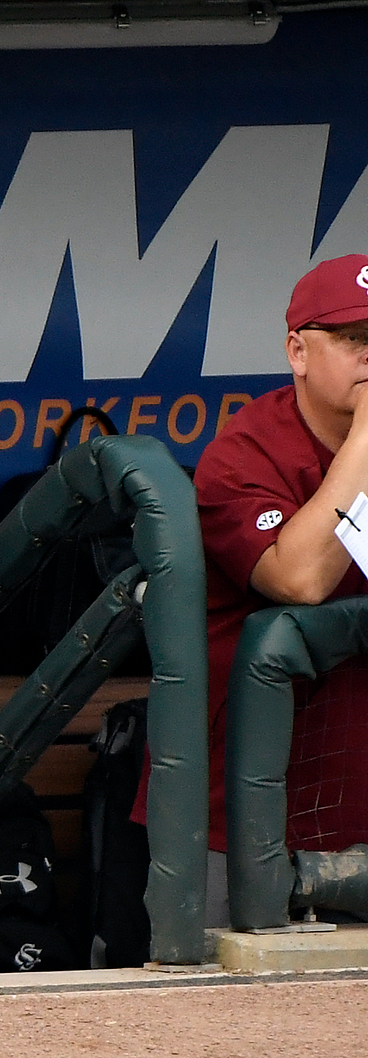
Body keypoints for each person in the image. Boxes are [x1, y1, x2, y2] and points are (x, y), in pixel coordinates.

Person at [178, 253, 368, 924]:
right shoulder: (243, 453)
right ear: (297, 350)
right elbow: (301, 578)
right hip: (238, 830)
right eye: (354, 340)